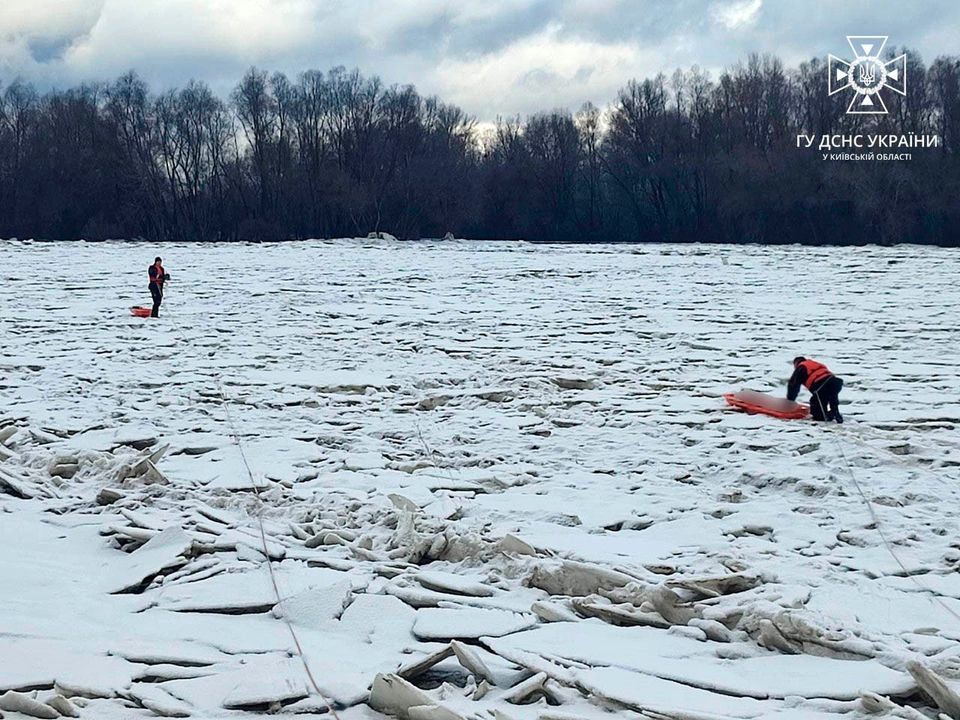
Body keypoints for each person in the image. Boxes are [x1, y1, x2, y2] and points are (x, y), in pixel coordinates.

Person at [788, 356, 843, 423]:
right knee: (831, 399)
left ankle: (821, 421)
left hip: (822, 385)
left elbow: (793, 385)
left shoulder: (801, 367)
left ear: (796, 364)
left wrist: (790, 401)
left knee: (816, 404)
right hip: (835, 382)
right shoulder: (814, 364)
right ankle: (835, 415)